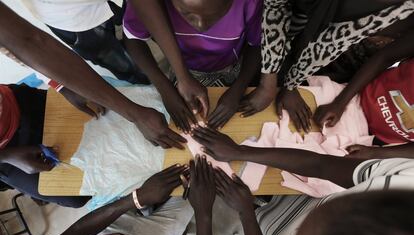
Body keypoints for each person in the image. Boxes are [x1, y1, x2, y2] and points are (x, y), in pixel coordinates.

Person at [192, 126, 414, 235]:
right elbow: (321, 165)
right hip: (281, 214)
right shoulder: (406, 178)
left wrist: (244, 216)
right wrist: (239, 151)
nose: (303, 228)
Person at [0, 2, 186, 149]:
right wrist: (57, 83)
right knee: (127, 68)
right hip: (71, 18)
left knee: (153, 38)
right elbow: (24, 43)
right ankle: (145, 82)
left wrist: (175, 80)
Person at [244, 0, 414, 133]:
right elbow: (276, 9)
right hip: (262, 27)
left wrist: (290, 85)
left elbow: (332, 42)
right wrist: (269, 78)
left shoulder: (404, 9)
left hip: (304, 46)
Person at [7, 164, 196, 235]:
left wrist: (135, 199)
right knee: (195, 181)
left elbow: (75, 234)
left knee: (135, 168)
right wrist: (204, 215)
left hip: (106, 231)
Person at [123, 0, 262, 131]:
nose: (200, 25)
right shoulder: (151, 5)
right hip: (180, 69)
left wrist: (239, 88)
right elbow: (133, 40)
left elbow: (257, 45)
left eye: (213, 16)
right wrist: (165, 89)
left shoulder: (250, 3)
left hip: (231, 67)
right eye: (186, 13)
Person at [312, 31, 414, 159]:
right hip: (353, 96)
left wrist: (375, 153)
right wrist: (340, 103)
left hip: (375, 143)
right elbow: (386, 56)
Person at [0, 84, 91, 208]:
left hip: (18, 104)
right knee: (77, 194)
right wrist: (7, 155)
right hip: (5, 156)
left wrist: (61, 86)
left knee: (94, 116)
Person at [21, 0, 150, 85]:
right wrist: (55, 84)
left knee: (139, 36)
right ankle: (148, 85)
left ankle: (153, 78)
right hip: (73, 20)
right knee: (124, 66)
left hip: (105, 6)